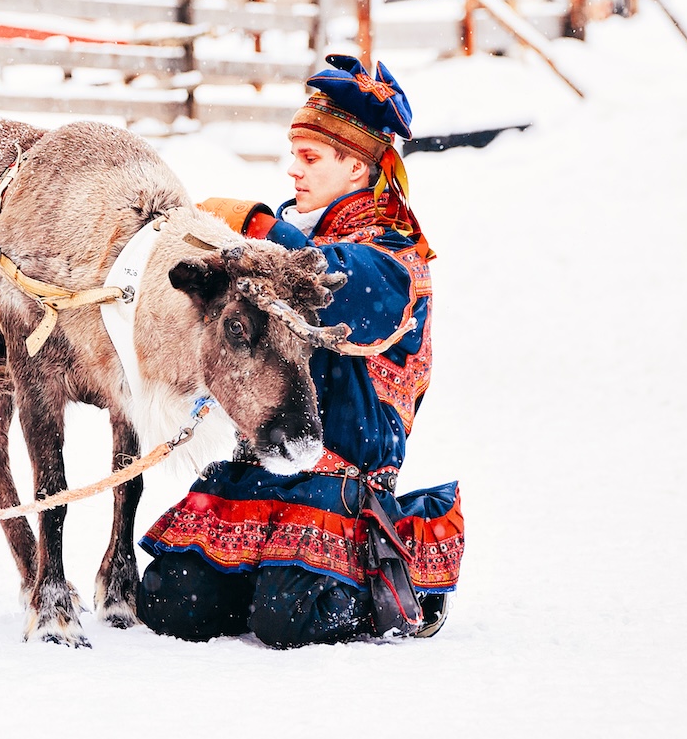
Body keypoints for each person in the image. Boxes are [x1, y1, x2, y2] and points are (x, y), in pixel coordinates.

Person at [136, 54, 464, 647]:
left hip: (340, 480)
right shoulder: (281, 243)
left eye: (310, 157)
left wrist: (258, 229)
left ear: (358, 167)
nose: (292, 170)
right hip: (264, 459)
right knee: (169, 604)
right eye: (293, 154)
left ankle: (406, 578)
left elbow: (326, 279)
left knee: (289, 622)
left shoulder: (395, 261)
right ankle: (262, 577)